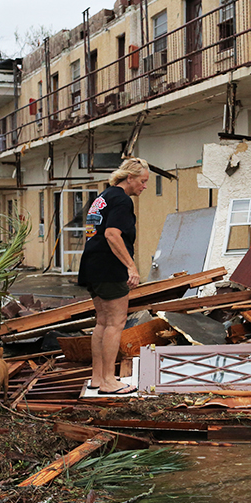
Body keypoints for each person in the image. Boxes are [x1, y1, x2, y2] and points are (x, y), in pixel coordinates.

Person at [77, 157, 150, 395]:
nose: (144, 186)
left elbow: (93, 232)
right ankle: (109, 381)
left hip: (92, 266)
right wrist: (131, 266)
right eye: (143, 181)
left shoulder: (103, 197)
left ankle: (97, 378)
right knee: (116, 323)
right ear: (130, 178)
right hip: (109, 268)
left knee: (102, 322)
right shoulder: (121, 200)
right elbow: (112, 234)